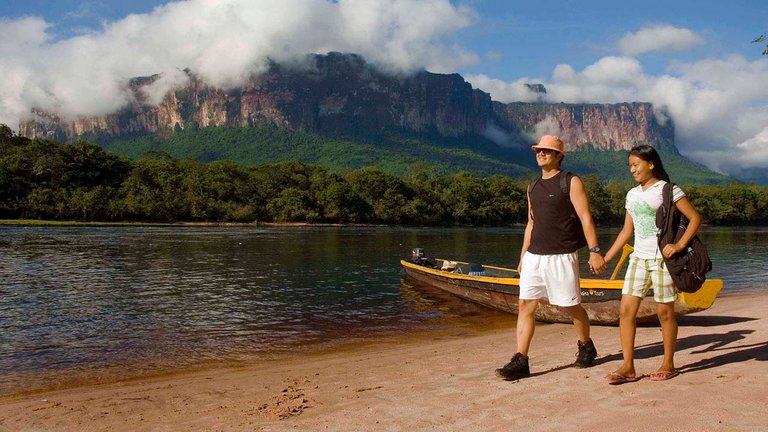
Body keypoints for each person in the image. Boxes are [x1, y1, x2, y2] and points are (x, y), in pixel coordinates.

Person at [495, 135, 606, 380]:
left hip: (562, 256)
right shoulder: (532, 186)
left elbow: (586, 217)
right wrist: (523, 255)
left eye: (547, 151)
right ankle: (520, 360)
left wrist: (595, 251)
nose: (541, 154)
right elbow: (530, 223)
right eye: (538, 150)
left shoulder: (570, 181)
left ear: (559, 155)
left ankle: (586, 345)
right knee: (525, 305)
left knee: (569, 306)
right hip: (535, 256)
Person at [602, 145, 701, 385]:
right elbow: (627, 230)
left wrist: (678, 246)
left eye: (636, 165)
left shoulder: (668, 190)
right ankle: (628, 367)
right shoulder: (632, 194)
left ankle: (668, 363)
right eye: (630, 166)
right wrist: (606, 258)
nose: (632, 169)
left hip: (662, 260)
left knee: (664, 312)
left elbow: (695, 218)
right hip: (638, 258)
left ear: (651, 164)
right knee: (625, 312)